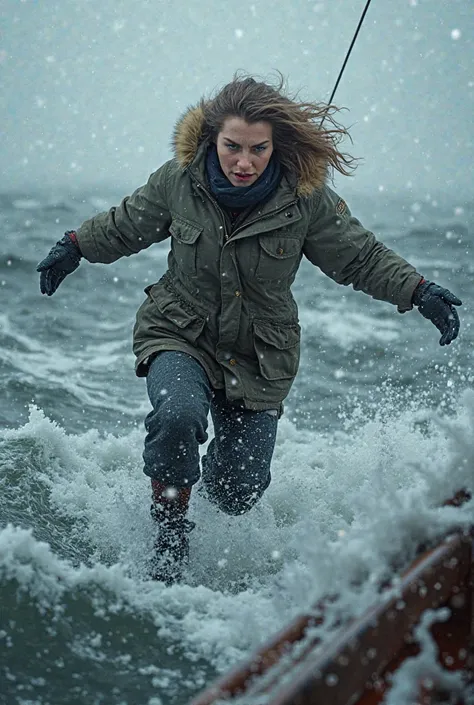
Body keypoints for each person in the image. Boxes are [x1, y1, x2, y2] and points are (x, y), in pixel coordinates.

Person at [37, 74, 462, 585]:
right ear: (212, 139)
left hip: (260, 355)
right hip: (179, 331)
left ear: (274, 146)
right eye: (232, 147)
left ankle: (208, 483)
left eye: (258, 149)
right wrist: (74, 245)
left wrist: (419, 290)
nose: (244, 162)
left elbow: (360, 257)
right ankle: (170, 535)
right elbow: (127, 223)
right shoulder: (180, 180)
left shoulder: (304, 199)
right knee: (177, 417)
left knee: (238, 491)